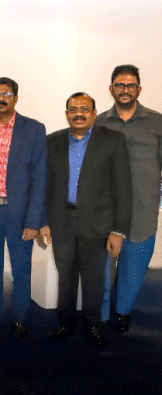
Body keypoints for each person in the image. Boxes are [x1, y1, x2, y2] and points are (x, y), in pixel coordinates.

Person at [43, 92, 131, 348]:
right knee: (66, 277)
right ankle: (65, 323)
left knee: (94, 279)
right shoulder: (53, 141)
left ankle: (93, 325)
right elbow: (46, 186)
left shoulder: (113, 140)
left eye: (84, 109)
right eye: (73, 109)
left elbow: (123, 189)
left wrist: (118, 231)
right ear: (66, 113)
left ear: (94, 113)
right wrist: (43, 221)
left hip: (98, 223)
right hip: (61, 221)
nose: (78, 113)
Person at [0, 77, 47, 340]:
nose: (1, 98)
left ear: (15, 98)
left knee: (21, 270)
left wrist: (34, 221)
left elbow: (39, 178)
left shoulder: (34, 129)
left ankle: (20, 318)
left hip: (19, 214)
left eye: (6, 94)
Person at [96, 64, 162, 333]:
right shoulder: (98, 122)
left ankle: (123, 311)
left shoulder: (157, 122)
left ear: (139, 89)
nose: (125, 90)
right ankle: (101, 315)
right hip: (105, 209)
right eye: (120, 85)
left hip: (142, 210)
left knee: (133, 268)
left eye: (130, 85)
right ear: (111, 89)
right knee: (101, 267)